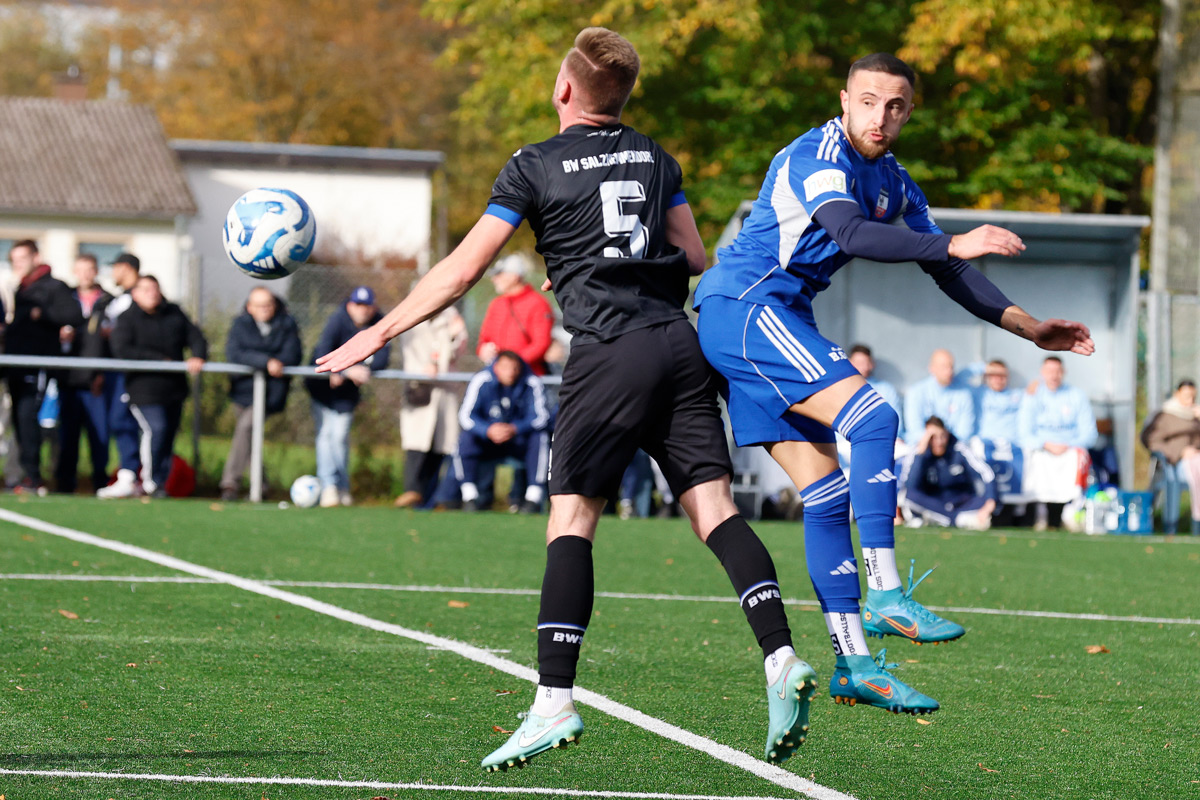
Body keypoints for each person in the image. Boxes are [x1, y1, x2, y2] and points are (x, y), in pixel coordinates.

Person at [317, 28, 815, 770]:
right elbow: (695, 259)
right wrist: (605, 265)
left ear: (562, 90)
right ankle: (779, 657)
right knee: (715, 511)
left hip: (609, 353)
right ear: (621, 97)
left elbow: (461, 272)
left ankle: (554, 700)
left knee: (571, 519)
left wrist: (382, 329)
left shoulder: (532, 165)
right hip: (677, 346)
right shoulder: (655, 156)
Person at [692, 53, 1094, 714]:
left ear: (910, 111)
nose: (881, 116)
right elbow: (852, 232)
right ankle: (883, 591)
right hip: (746, 308)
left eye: (897, 105)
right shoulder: (815, 155)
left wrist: (1029, 328)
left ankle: (854, 664)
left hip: (775, 319)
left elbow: (950, 271)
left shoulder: (896, 182)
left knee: (826, 494)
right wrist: (953, 244)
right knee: (876, 419)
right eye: (869, 100)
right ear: (844, 99)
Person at [108, 275, 207, 498]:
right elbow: (122, 350)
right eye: (145, 289)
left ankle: (160, 482)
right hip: (143, 389)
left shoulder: (174, 313)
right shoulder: (127, 319)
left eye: (155, 288)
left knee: (168, 436)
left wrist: (198, 356)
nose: (151, 293)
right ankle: (150, 482)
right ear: (135, 294)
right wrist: (158, 360)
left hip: (173, 388)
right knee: (156, 429)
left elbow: (196, 337)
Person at [5, 240, 83, 494]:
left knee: (29, 419)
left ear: (35, 257)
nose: (18, 265)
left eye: (22, 259)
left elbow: (74, 315)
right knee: (18, 420)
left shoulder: (54, 287)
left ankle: (34, 477)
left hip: (36, 364)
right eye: (14, 260)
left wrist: (44, 315)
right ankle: (25, 475)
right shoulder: (20, 288)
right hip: (15, 364)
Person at [305, 286, 390, 508]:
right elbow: (323, 351)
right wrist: (343, 370)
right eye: (358, 305)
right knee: (326, 436)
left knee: (339, 437)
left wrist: (355, 369)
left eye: (367, 306)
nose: (363, 311)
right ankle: (329, 486)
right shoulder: (337, 319)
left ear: (374, 307)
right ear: (350, 305)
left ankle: (341, 487)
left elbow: (381, 358)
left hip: (346, 394)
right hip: (322, 388)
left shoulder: (379, 323)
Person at [219, 287, 303, 501]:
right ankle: (262, 485)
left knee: (246, 428)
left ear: (274, 305)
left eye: (268, 305)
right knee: (249, 439)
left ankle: (230, 484)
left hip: (270, 394)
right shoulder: (240, 324)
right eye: (259, 305)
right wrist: (266, 362)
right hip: (242, 392)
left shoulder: (286, 324)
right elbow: (235, 353)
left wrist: (275, 362)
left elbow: (293, 353)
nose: (264, 310)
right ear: (249, 307)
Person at [454, 351, 551, 513]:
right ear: (496, 367)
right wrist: (488, 430)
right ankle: (469, 497)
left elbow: (541, 417)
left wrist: (515, 428)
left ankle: (533, 499)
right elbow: (466, 416)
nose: (510, 373)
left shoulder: (531, 381)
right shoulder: (482, 379)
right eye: (505, 368)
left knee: (540, 438)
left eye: (514, 368)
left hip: (518, 441)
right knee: (466, 437)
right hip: (488, 441)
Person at [394, 306, 469, 509]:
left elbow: (455, 352)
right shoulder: (411, 318)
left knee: (441, 445)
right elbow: (410, 351)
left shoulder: (452, 318)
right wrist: (423, 369)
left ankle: (432, 498)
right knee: (417, 443)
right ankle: (413, 492)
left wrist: (456, 335)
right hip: (419, 388)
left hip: (445, 390)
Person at [55, 254, 114, 493]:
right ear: (74, 271)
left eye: (90, 269)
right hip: (68, 379)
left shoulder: (109, 301)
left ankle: (100, 483)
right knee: (68, 436)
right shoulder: (64, 299)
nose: (85, 274)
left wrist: (102, 371)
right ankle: (64, 484)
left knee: (99, 435)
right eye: (81, 270)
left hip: (95, 380)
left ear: (96, 271)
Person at [1018, 355, 1098, 530]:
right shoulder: (1032, 394)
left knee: (1077, 456)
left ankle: (1067, 514)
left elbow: (1090, 434)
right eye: (1050, 371)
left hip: (1068, 450)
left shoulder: (1076, 395)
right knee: (1035, 459)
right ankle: (1036, 514)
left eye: (1057, 371)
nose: (1054, 376)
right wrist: (1045, 444)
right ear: (1042, 373)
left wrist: (1067, 445)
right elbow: (1024, 433)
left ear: (1064, 372)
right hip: (1041, 449)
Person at [97, 252, 146, 498]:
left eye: (114, 268)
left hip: (131, 370)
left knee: (124, 420)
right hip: (115, 370)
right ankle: (130, 474)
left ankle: (132, 475)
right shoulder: (117, 299)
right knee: (118, 421)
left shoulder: (139, 297)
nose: (112, 274)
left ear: (125, 268)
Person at [900, 416, 996, 529]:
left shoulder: (959, 448)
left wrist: (990, 502)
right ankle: (957, 520)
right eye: (933, 437)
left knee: (986, 500)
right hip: (933, 503)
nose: (939, 442)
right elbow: (910, 486)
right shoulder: (918, 452)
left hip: (961, 503)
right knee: (907, 497)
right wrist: (920, 455)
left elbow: (986, 473)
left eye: (942, 436)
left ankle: (939, 519)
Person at [476, 253, 555, 375]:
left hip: (527, 376)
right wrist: (483, 350)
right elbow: (484, 338)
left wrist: (511, 364)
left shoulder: (538, 303)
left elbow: (541, 343)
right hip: (497, 375)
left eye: (499, 275)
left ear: (514, 276)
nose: (494, 279)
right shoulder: (497, 304)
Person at [1141, 380, 1200, 534]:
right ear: (1177, 394)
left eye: (1194, 397)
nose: (1191, 401)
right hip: (1173, 465)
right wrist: (1180, 451)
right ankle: (1194, 521)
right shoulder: (1165, 415)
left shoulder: (1195, 416)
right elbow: (1151, 440)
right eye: (1187, 396)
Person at [966, 358, 1026, 505]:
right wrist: (983, 367)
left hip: (1011, 445)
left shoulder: (1018, 395)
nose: (998, 379)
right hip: (985, 443)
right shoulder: (978, 393)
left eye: (1002, 375)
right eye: (994, 375)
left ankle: (1016, 508)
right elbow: (961, 377)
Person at [904, 349, 975, 445]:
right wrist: (934, 443)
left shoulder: (964, 394)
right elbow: (914, 429)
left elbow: (964, 432)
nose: (949, 371)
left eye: (951, 367)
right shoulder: (916, 392)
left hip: (952, 448)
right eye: (944, 367)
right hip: (923, 446)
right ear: (931, 368)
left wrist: (945, 445)